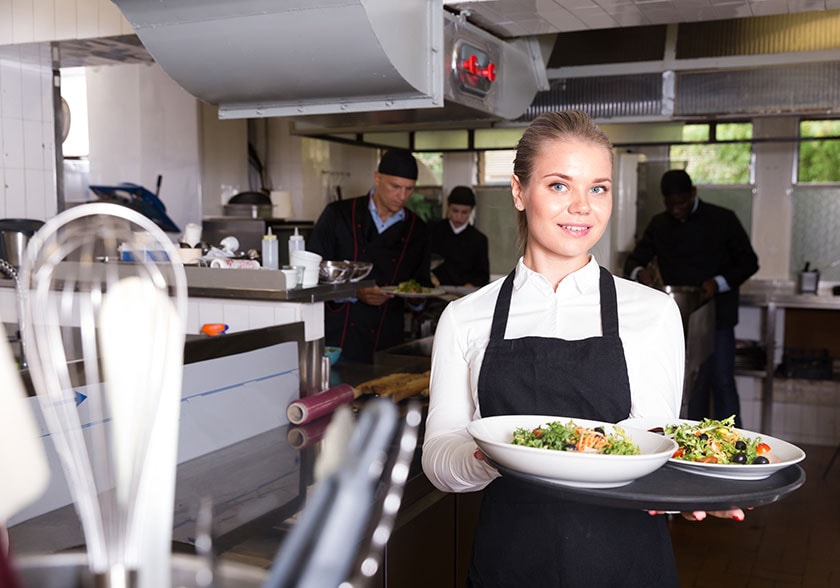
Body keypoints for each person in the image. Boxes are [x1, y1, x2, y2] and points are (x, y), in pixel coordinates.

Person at [422, 110, 744, 588]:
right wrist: (493, 454)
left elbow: (655, 437)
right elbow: (437, 459)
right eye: (558, 185)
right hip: (511, 558)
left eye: (598, 188)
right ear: (518, 191)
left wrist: (692, 482)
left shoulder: (652, 312)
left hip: (625, 558)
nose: (582, 207)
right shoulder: (466, 317)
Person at [623, 169, 759, 427]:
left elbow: (749, 262)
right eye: (670, 204)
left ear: (693, 193)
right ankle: (691, 447)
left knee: (721, 382)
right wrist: (641, 272)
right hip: (676, 321)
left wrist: (718, 283)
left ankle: (734, 444)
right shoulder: (659, 224)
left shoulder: (722, 220)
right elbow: (633, 260)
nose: (676, 210)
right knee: (687, 386)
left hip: (716, 317)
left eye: (681, 203)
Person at [308, 148, 432, 363]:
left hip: (388, 341)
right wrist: (355, 292)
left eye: (409, 189)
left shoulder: (417, 229)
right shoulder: (338, 215)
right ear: (377, 178)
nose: (402, 196)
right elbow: (310, 275)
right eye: (395, 187)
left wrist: (417, 298)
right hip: (339, 338)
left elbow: (421, 283)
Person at [429, 186, 490, 287]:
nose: (459, 216)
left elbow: (483, 276)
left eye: (464, 212)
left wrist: (471, 284)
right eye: (455, 211)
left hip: (463, 296)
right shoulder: (434, 231)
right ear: (448, 207)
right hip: (435, 293)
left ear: (471, 211)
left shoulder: (479, 240)